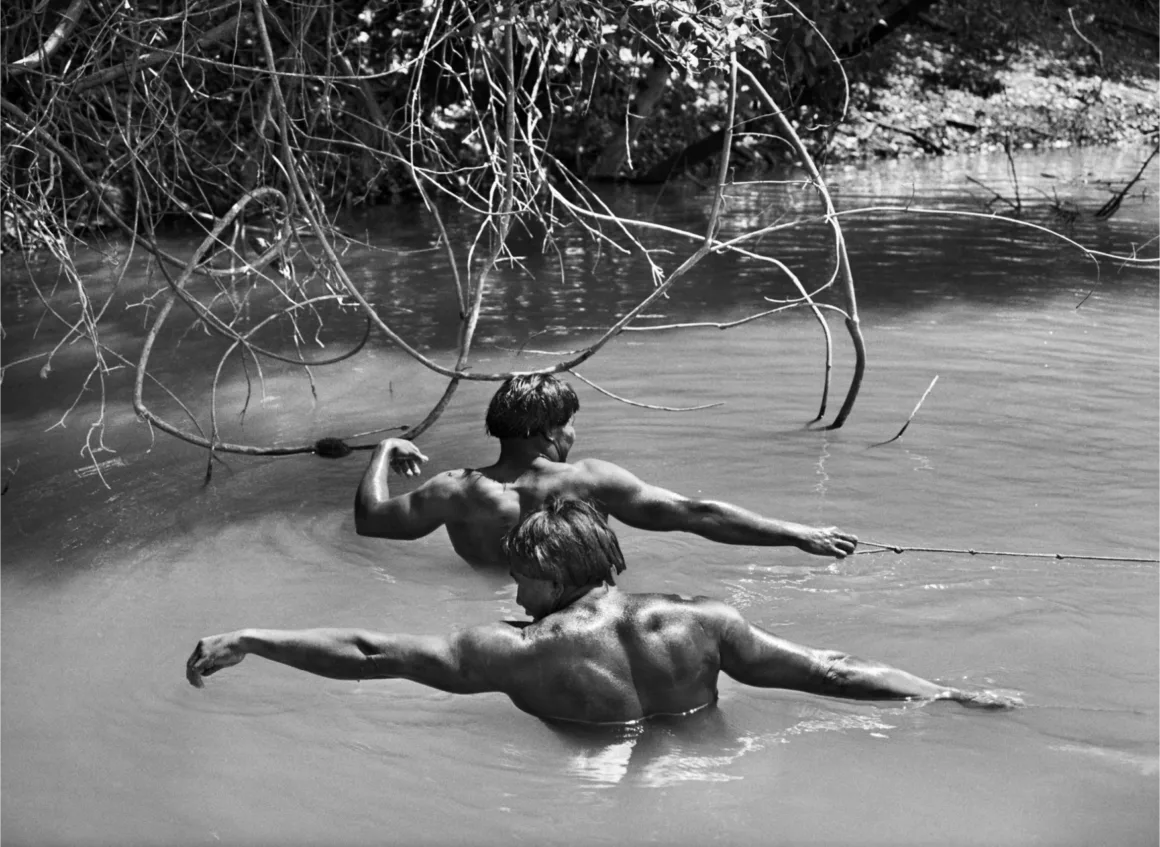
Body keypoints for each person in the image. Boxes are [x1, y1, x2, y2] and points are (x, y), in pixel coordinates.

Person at [189, 497, 1017, 722]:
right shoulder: (704, 617)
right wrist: (943, 692)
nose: (513, 593)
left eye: (522, 578)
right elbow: (829, 672)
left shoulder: (509, 649)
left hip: (594, 785)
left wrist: (252, 635)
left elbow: (373, 652)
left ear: (551, 575)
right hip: (702, 767)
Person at [354, 374, 858, 568]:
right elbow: (696, 515)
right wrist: (797, 533)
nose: (574, 436)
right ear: (551, 433)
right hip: (579, 607)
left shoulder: (454, 489)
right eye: (571, 425)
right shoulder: (589, 480)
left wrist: (384, 449)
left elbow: (370, 520)